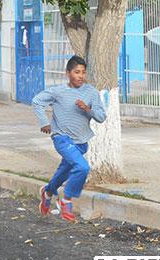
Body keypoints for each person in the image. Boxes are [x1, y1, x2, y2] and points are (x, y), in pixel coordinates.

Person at [32, 55, 106, 222]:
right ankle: (65, 200)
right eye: (76, 72)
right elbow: (36, 101)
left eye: (83, 72)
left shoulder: (91, 93)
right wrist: (44, 122)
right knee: (82, 167)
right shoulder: (58, 91)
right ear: (68, 73)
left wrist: (88, 109)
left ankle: (48, 191)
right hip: (62, 138)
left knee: (63, 173)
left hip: (81, 142)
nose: (80, 76)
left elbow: (101, 117)